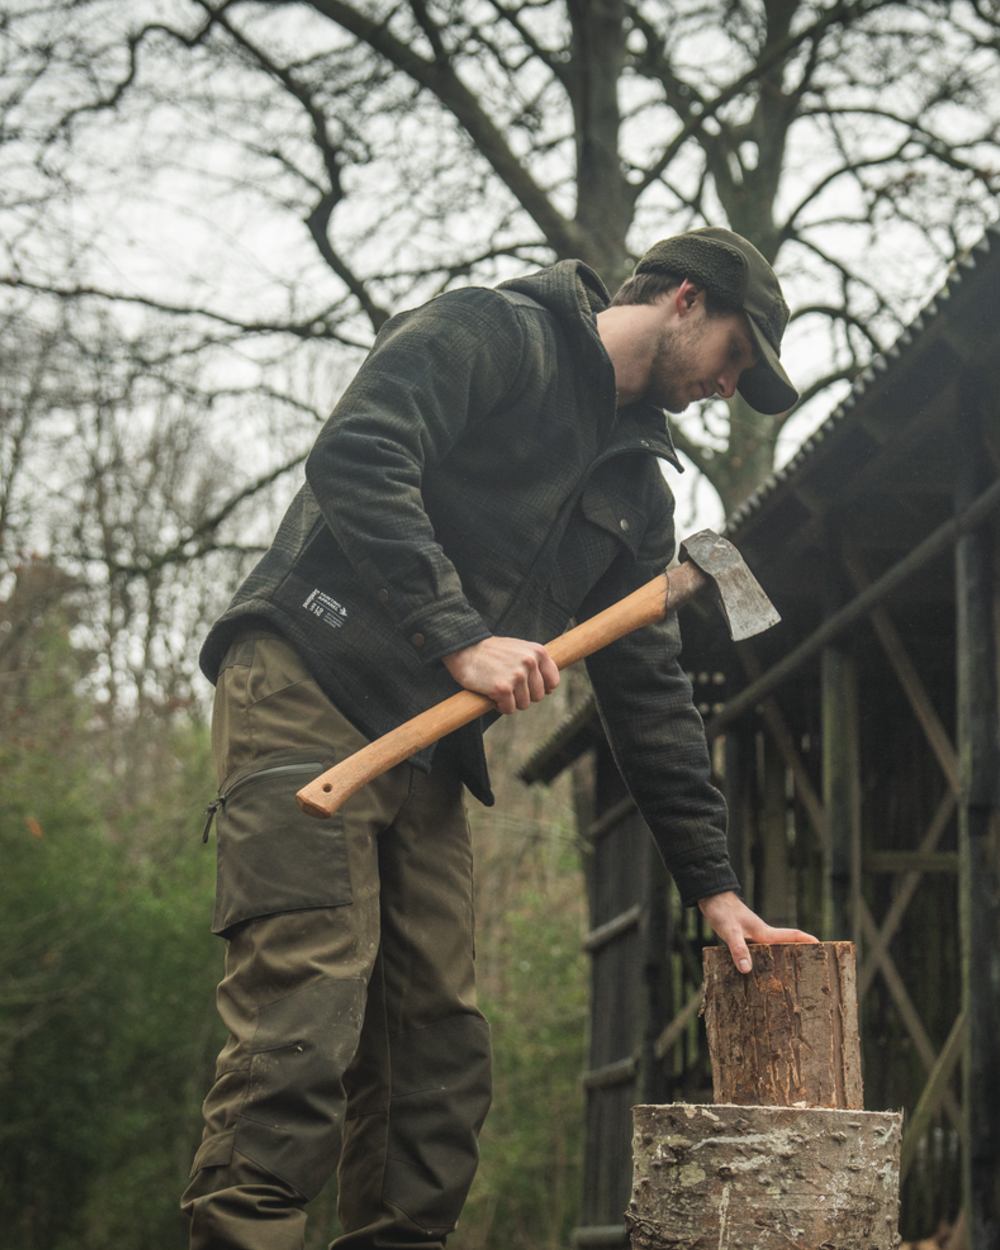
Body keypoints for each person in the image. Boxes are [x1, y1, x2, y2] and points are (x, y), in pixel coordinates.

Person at [181, 226, 817, 1250]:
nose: (726, 388)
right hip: (310, 683)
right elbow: (359, 452)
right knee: (305, 1013)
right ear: (686, 300)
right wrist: (460, 637)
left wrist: (714, 883)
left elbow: (649, 699)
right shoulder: (493, 331)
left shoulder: (635, 495)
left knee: (437, 1056)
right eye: (736, 358)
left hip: (426, 751)